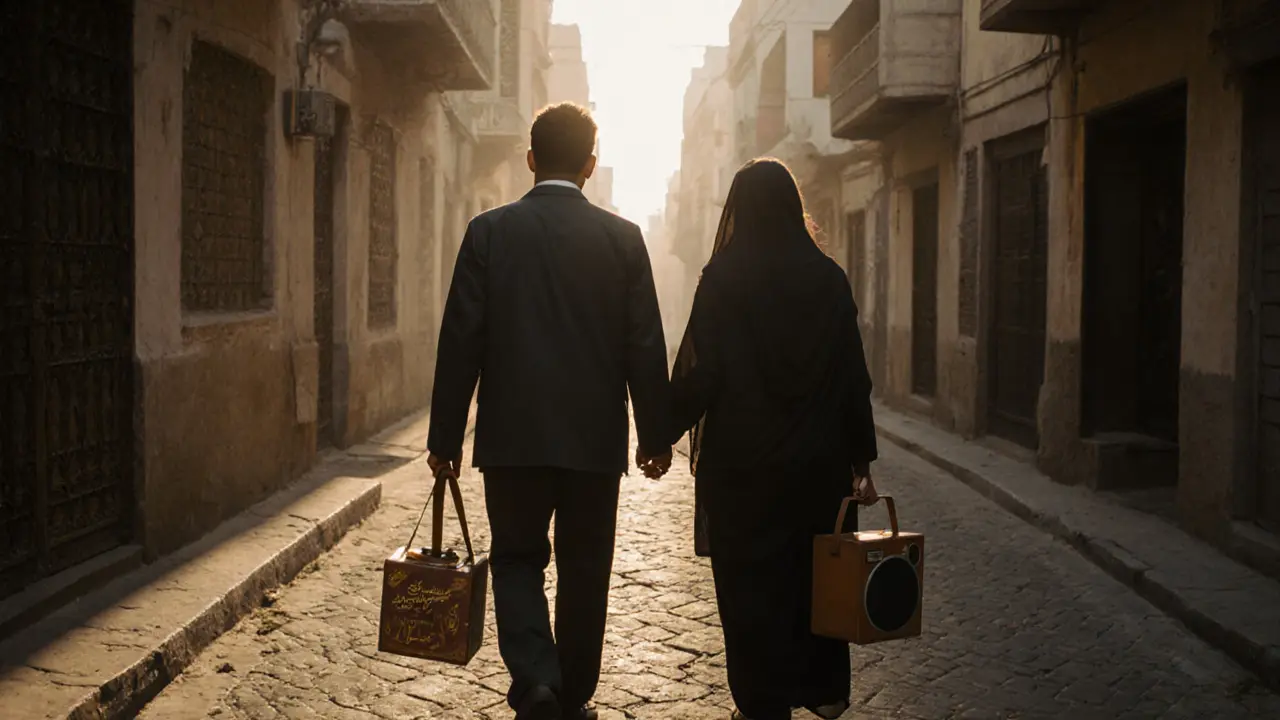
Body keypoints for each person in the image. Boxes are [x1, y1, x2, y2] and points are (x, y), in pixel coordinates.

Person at [426, 103, 673, 720]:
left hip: (512, 438)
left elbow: (461, 340)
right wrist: (655, 435)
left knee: (515, 558)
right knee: (587, 568)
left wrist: (445, 437)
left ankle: (536, 677)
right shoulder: (623, 240)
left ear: (531, 159)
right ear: (592, 164)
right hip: (593, 442)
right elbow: (644, 342)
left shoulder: (489, 232)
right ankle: (573, 693)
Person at [668, 158, 880, 720]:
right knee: (816, 579)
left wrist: (659, 436)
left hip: (741, 473)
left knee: (749, 592)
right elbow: (853, 378)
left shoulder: (722, 279)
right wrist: (862, 461)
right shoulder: (829, 279)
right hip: (818, 469)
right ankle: (824, 689)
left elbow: (698, 373)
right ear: (793, 208)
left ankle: (762, 704)